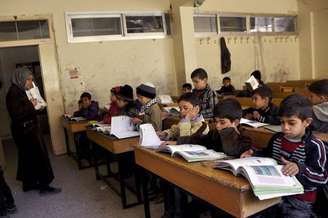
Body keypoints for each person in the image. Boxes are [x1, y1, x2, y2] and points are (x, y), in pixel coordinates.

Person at [241, 94, 328, 218]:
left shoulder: (314, 146)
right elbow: (268, 155)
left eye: (291, 123)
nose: (285, 127)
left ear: (306, 122)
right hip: (273, 194)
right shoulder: (277, 138)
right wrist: (253, 153)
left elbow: (322, 178)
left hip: (300, 201)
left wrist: (300, 169)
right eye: (282, 122)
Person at [6, 67, 61, 195]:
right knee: (39, 157)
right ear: (21, 79)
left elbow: (24, 109)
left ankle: (28, 183)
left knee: (27, 157)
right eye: (29, 80)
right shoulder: (14, 93)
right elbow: (15, 114)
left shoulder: (19, 90)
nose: (31, 83)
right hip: (26, 130)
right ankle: (44, 186)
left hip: (25, 129)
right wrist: (31, 105)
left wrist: (36, 105)